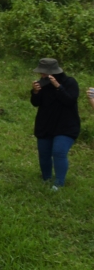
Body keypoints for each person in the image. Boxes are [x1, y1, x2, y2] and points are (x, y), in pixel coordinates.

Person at [30, 58, 81, 190]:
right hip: (45, 123)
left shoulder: (70, 82)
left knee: (59, 152)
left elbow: (70, 100)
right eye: (41, 73)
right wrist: (35, 92)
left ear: (54, 73)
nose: (42, 75)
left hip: (66, 125)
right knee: (44, 152)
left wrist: (58, 87)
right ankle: (46, 178)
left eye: (44, 73)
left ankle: (59, 183)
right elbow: (36, 103)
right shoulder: (42, 84)